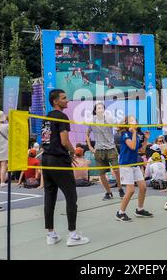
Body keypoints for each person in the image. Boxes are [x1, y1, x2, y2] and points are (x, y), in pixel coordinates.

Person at [41, 89, 89, 246]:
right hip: (58, 162)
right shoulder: (62, 116)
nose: (67, 100)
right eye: (64, 98)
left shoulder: (46, 117)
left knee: (49, 197)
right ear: (56, 101)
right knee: (71, 197)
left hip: (46, 160)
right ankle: (73, 235)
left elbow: (45, 139)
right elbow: (64, 140)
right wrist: (73, 152)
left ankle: (51, 234)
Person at [115, 116, 152, 222]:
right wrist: (135, 133)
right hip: (126, 165)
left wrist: (145, 139)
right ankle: (120, 213)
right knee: (130, 190)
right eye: (131, 120)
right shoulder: (125, 134)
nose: (134, 121)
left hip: (134, 164)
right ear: (127, 124)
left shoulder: (137, 135)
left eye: (135, 120)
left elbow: (141, 150)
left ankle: (139, 210)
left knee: (143, 187)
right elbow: (131, 146)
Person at [86, 102, 125, 200]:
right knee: (101, 173)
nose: (100, 109)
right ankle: (108, 192)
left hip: (111, 148)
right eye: (98, 108)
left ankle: (120, 188)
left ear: (104, 110)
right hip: (99, 150)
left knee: (116, 170)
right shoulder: (92, 121)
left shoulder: (109, 119)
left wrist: (124, 124)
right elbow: (87, 134)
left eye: (102, 108)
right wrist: (90, 147)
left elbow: (118, 127)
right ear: (95, 110)